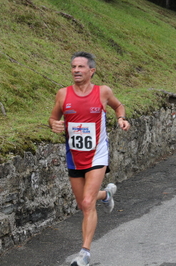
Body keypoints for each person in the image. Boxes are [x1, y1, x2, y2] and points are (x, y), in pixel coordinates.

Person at [49, 51, 131, 266]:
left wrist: (121, 118)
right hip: (74, 156)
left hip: (97, 154)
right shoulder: (63, 94)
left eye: (81, 67)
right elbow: (53, 117)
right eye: (73, 67)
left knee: (87, 202)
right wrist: (54, 124)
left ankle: (84, 253)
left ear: (91, 71)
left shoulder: (103, 92)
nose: (76, 70)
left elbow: (118, 106)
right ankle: (105, 195)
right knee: (83, 203)